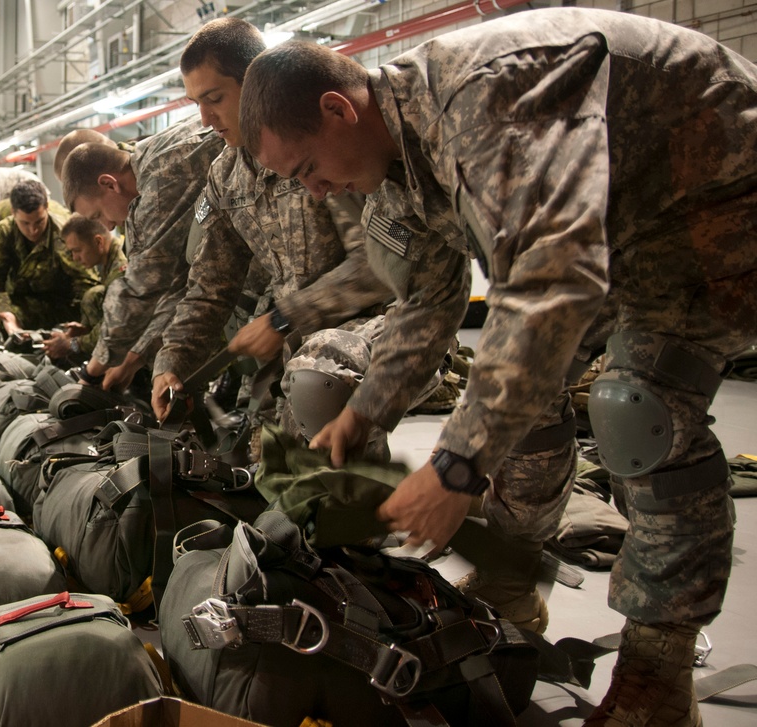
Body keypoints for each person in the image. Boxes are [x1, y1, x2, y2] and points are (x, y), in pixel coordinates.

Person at [238, 8, 757, 724]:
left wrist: (457, 466)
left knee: (639, 407)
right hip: (616, 229)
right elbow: (426, 299)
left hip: (715, 193)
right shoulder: (390, 168)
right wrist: (368, 409)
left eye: (308, 170)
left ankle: (657, 675)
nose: (316, 192)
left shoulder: (482, 103)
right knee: (524, 397)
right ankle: (513, 582)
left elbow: (549, 282)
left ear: (337, 109)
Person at [149, 18, 392, 440]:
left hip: (372, 330)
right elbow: (211, 286)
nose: (206, 119)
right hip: (293, 339)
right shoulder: (227, 176)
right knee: (261, 455)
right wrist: (172, 364)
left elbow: (378, 266)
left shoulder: (318, 144)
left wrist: (285, 317)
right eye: (195, 104)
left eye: (214, 99)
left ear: (254, 80)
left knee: (316, 390)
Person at [61, 117, 224, 391]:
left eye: (98, 214)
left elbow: (140, 289)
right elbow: (173, 284)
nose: (109, 226)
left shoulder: (159, 184)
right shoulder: (144, 160)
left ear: (109, 184)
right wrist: (134, 357)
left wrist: (92, 371)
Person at [0, 179, 94, 336]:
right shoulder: (4, 232)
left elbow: (85, 283)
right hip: (24, 302)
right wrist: (6, 314)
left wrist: (84, 326)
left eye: (39, 221)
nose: (33, 230)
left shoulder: (64, 232)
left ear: (47, 208)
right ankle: (20, 338)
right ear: (13, 212)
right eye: (25, 223)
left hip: (61, 305)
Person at [43, 215, 127, 363]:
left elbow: (115, 329)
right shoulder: (108, 263)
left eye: (77, 250)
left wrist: (72, 344)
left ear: (98, 242)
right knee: (93, 296)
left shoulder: (120, 271)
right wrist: (86, 331)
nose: (75, 258)